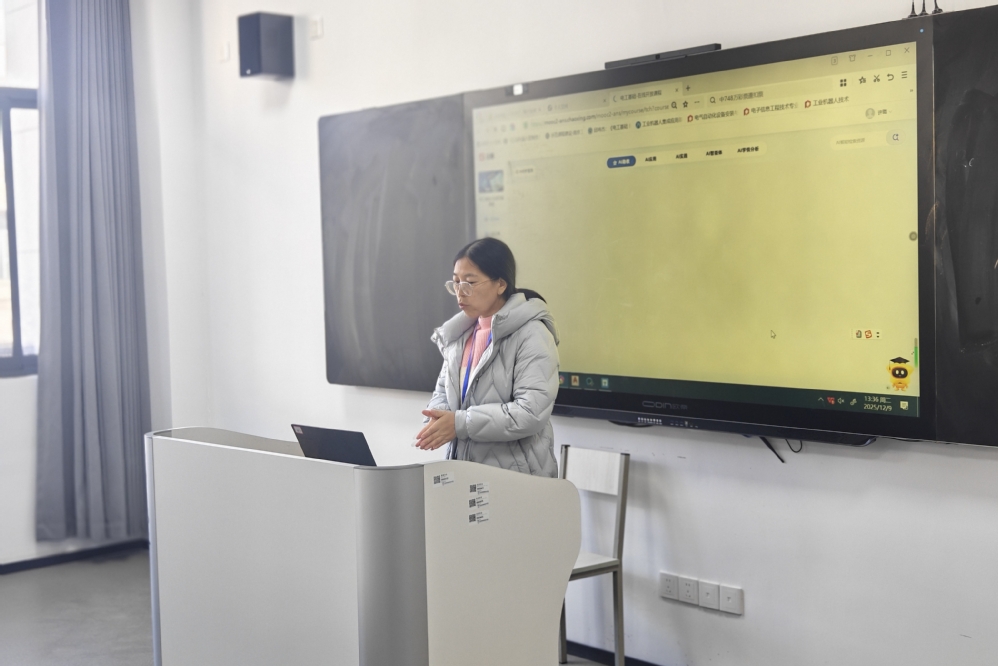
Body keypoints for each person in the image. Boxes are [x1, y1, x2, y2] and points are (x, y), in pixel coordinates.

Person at [414, 237, 560, 477]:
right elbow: (442, 393)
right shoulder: (459, 335)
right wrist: (438, 417)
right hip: (466, 474)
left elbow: (530, 413)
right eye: (456, 282)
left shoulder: (532, 333)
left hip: (518, 479)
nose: (460, 293)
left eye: (470, 283)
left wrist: (459, 423)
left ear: (500, 284)